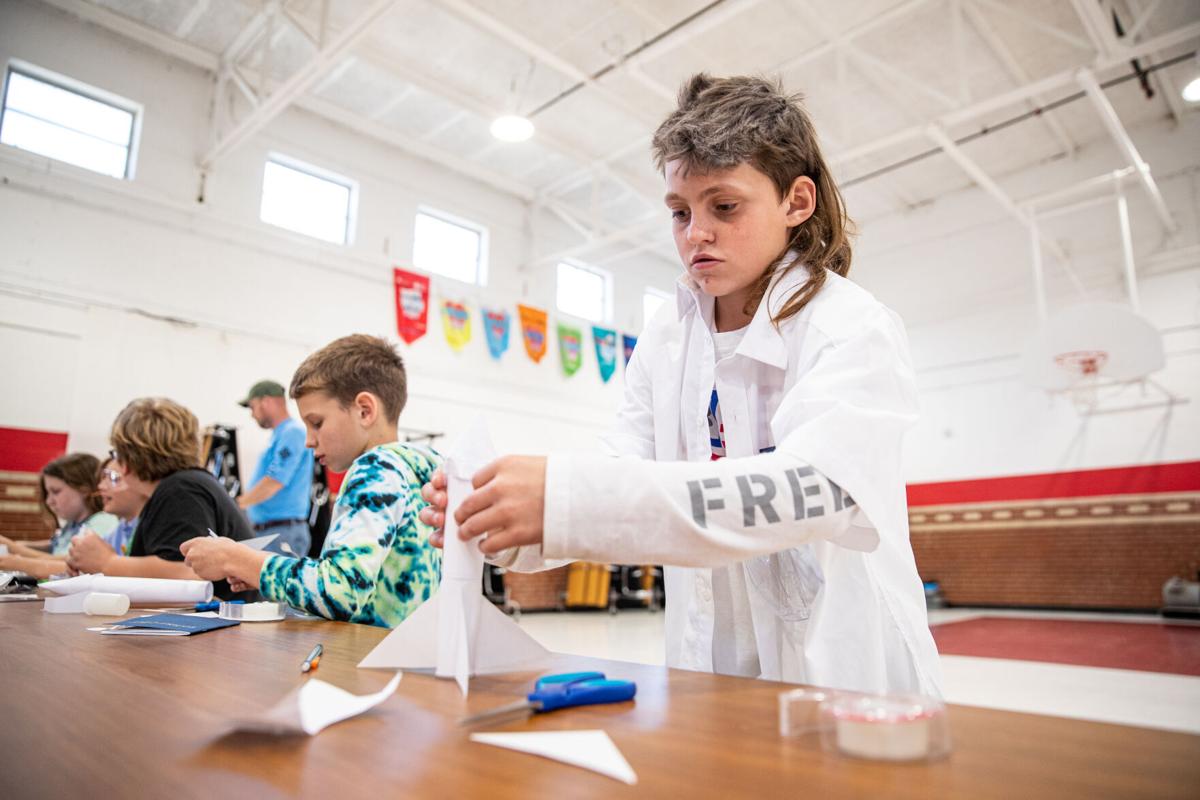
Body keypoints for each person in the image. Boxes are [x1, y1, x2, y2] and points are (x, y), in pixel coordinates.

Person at [421, 74, 943, 697]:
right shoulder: (668, 337)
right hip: (708, 673)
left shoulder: (852, 326)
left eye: (724, 206)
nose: (696, 232)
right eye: (679, 211)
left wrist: (565, 499)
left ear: (796, 202)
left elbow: (817, 491)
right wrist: (517, 530)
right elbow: (623, 462)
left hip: (848, 677)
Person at [181, 334, 442, 628]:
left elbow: (340, 591)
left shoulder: (374, 468)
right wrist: (259, 567)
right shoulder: (428, 464)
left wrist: (236, 559)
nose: (308, 440)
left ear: (365, 410)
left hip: (369, 657)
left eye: (317, 423)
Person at [65, 397, 252, 599]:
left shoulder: (181, 489)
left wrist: (107, 563)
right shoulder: (184, 485)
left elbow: (188, 574)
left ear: (126, 460)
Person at [0, 453, 118, 579]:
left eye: (56, 492)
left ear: (84, 490)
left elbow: (67, 563)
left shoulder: (103, 521)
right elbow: (52, 546)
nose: (49, 501)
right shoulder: (71, 525)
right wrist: (15, 546)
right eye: (47, 493)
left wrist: (13, 550)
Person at [237, 379, 314, 557]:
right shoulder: (280, 435)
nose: (252, 414)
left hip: (282, 532)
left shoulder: (292, 433)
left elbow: (274, 481)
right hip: (272, 531)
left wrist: (237, 505)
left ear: (266, 402)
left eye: (252, 407)